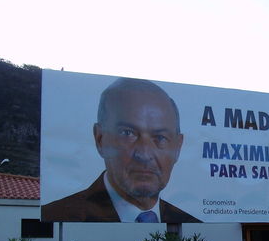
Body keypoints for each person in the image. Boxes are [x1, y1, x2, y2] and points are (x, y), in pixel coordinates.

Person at [42, 77, 200, 223]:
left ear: (178, 148)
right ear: (100, 139)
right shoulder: (54, 216)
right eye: (128, 133)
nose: (144, 155)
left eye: (160, 138)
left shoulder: (191, 223)